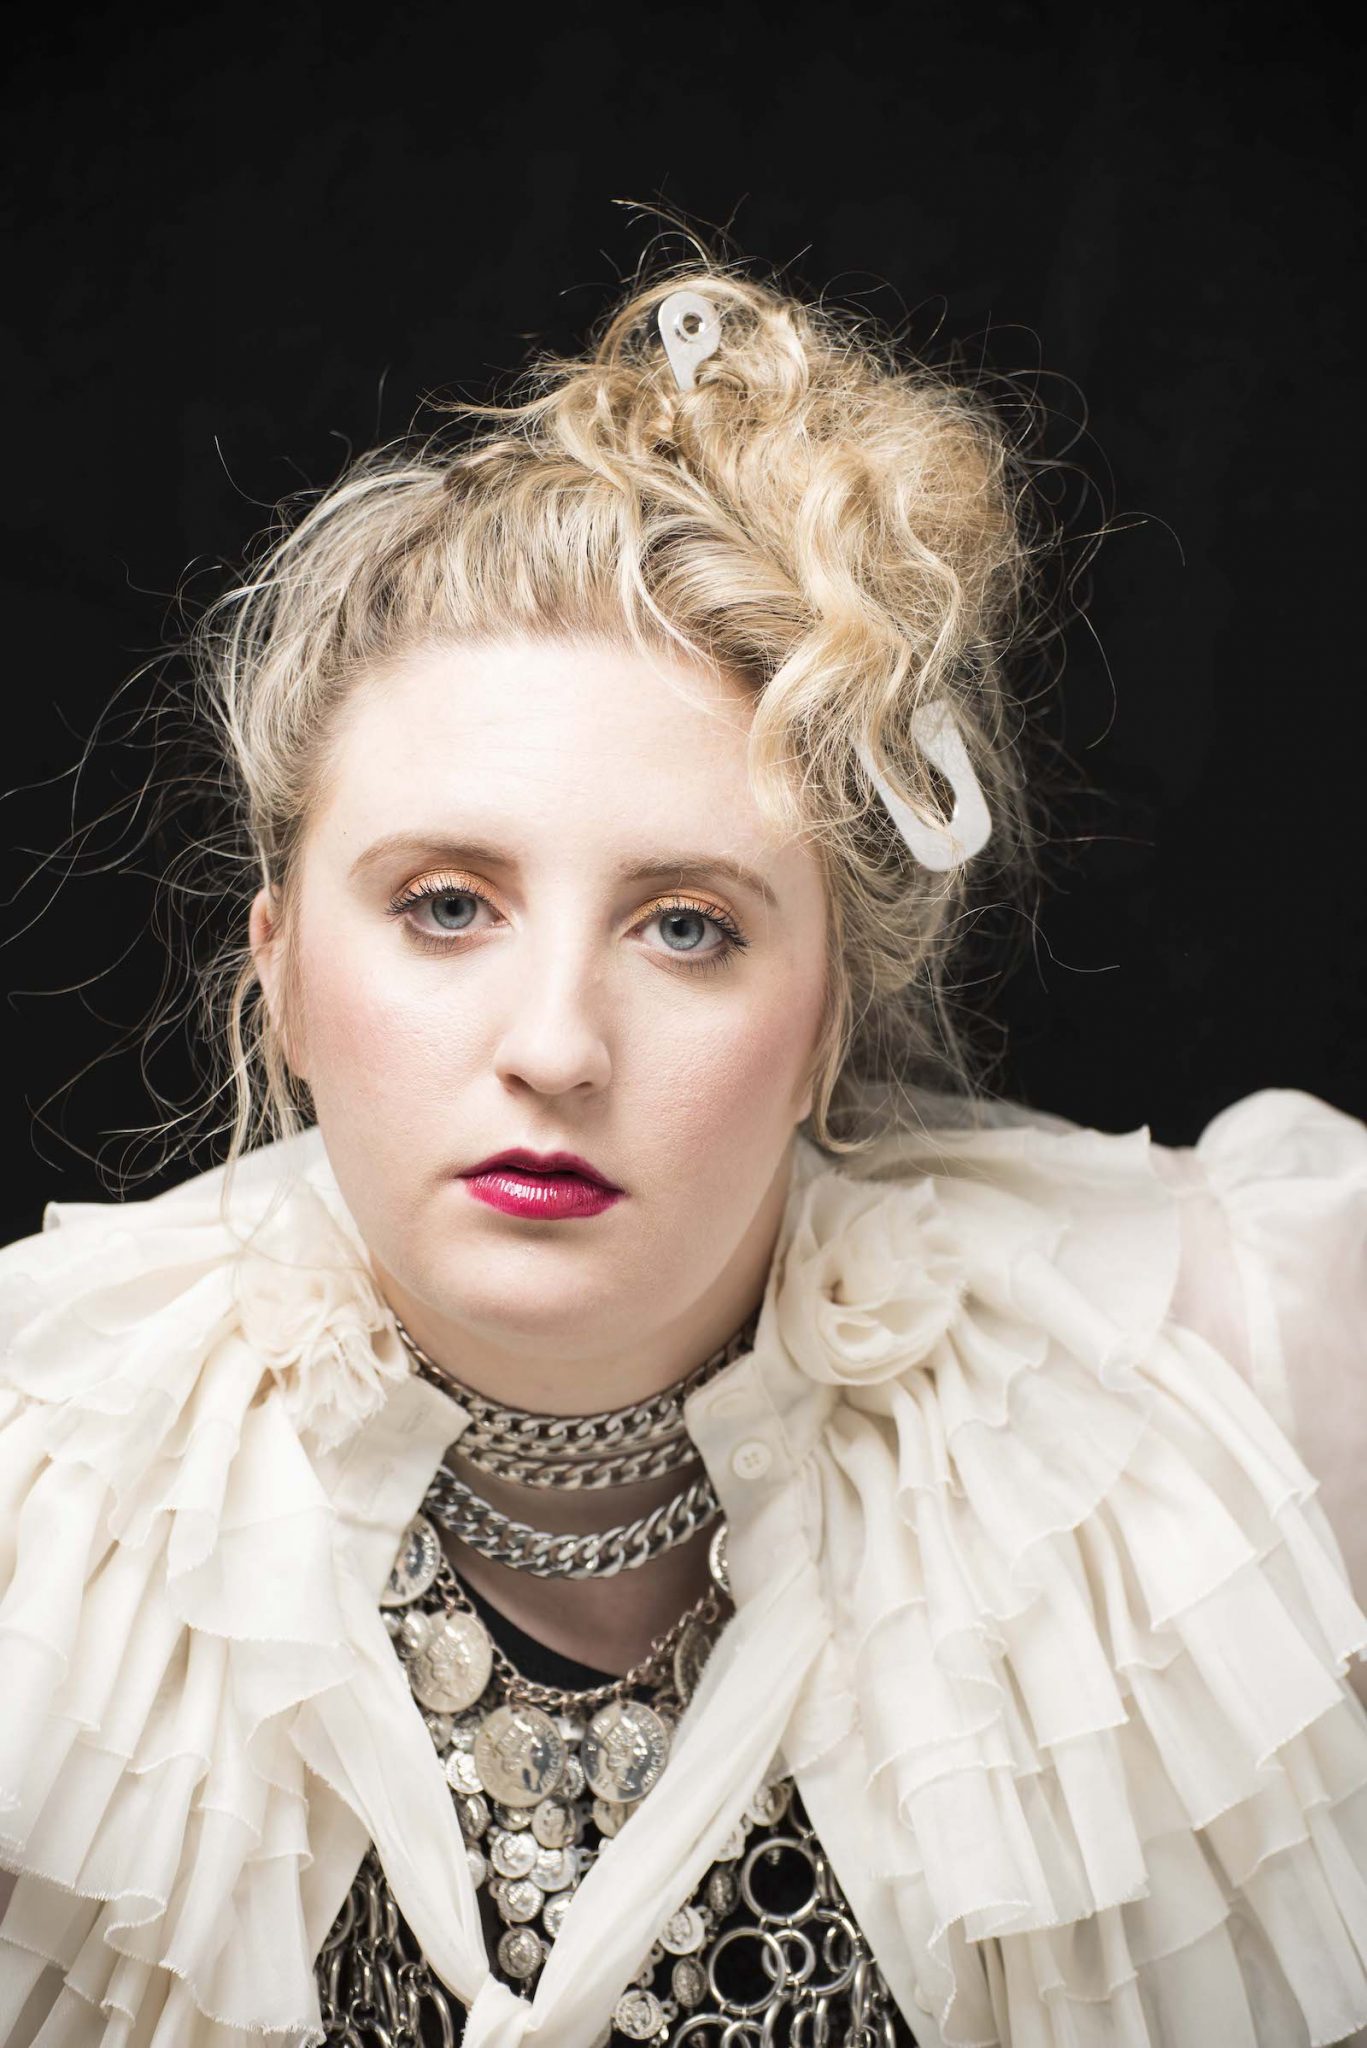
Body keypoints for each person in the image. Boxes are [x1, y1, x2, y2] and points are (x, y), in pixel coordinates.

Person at [0, 254, 1364, 2048]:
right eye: (445, 905)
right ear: (284, 979)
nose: (557, 1046)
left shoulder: (1230, 1392)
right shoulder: (40, 1506)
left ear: (825, 1031)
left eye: (688, 927)